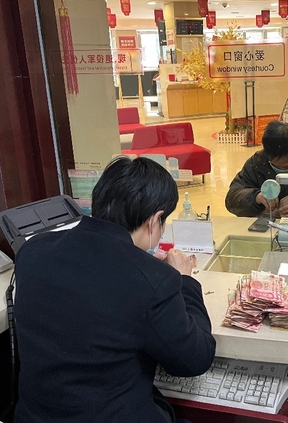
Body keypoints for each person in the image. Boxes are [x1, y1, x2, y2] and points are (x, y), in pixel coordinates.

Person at [13, 156, 216, 423]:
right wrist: (184, 280)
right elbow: (195, 359)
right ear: (155, 220)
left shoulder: (32, 251)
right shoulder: (154, 281)